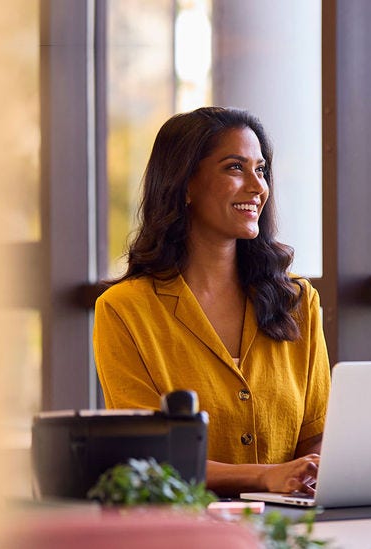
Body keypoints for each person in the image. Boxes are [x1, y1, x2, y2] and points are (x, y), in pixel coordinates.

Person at [93, 107, 329, 497]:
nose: (258, 187)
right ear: (185, 184)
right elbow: (148, 457)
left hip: (292, 526)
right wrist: (264, 476)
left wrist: (312, 471)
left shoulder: (298, 301)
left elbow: (316, 435)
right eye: (235, 167)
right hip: (185, 532)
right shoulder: (124, 309)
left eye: (261, 170)